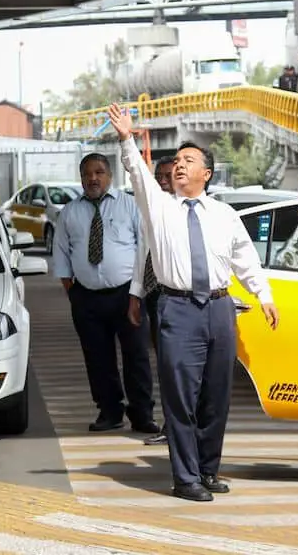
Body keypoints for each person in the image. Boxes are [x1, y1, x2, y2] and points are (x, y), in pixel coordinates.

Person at [107, 103, 280, 502]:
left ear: (207, 173)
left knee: (216, 397)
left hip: (221, 310)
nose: (180, 166)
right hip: (179, 310)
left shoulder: (223, 214)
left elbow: (245, 258)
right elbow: (135, 170)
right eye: (177, 161)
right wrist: (126, 138)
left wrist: (263, 295)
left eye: (189, 160)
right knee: (180, 397)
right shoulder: (159, 208)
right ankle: (185, 478)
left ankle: (207, 469)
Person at [53, 153, 161, 435]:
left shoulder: (130, 205)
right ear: (81, 178)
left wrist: (138, 293)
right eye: (87, 173)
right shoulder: (69, 213)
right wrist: (74, 293)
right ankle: (109, 411)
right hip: (86, 297)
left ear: (110, 176)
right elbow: (62, 255)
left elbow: (144, 249)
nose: (93, 178)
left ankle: (142, 414)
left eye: (99, 172)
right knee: (97, 358)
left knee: (136, 355)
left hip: (128, 294)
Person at [128, 155, 175, 446]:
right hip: (155, 295)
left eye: (169, 176)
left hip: (180, 297)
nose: (163, 181)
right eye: (159, 176)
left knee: (180, 366)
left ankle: (185, 428)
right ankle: (172, 425)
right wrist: (135, 294)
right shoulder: (151, 212)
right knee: (165, 363)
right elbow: (142, 252)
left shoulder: (188, 212)